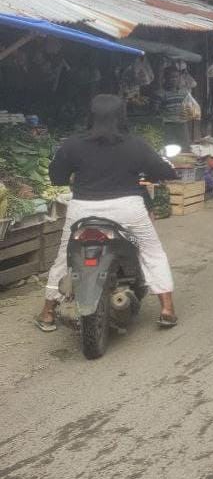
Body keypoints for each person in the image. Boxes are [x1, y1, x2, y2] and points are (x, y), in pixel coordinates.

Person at [36, 94, 178, 331]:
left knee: (64, 256)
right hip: (128, 210)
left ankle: (48, 311)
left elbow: (56, 177)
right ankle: (167, 308)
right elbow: (161, 170)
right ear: (122, 116)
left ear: (90, 116)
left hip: (83, 211)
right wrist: (156, 174)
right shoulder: (135, 144)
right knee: (152, 252)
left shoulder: (73, 144)